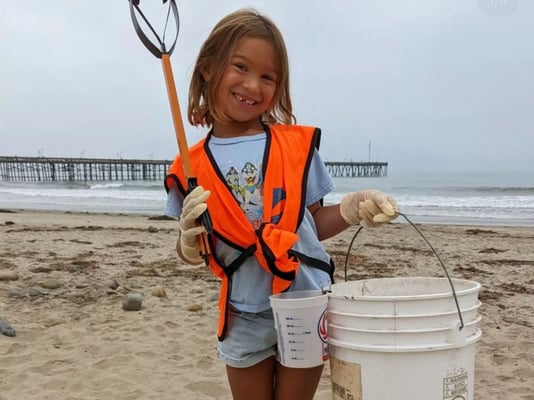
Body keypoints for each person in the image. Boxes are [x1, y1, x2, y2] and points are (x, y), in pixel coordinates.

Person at [164, 8, 399, 400]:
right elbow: (194, 251)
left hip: (305, 301)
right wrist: (186, 242)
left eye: (268, 77)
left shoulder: (295, 148)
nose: (253, 85)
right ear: (208, 68)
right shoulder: (188, 167)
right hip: (243, 312)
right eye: (240, 67)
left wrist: (352, 207)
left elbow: (311, 225)